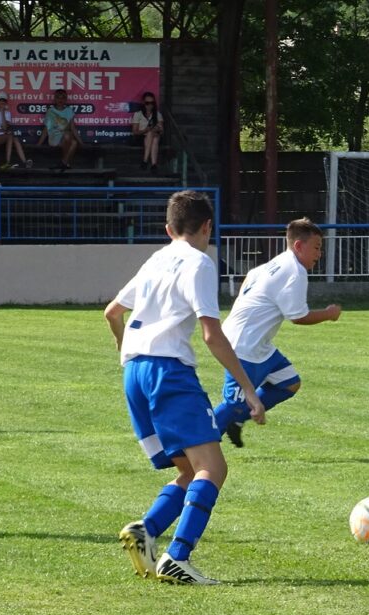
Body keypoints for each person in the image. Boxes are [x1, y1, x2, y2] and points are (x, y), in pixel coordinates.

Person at [104, 190, 265, 585]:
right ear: (207, 227)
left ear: (168, 228)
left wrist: (130, 356)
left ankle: (146, 530)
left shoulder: (157, 257)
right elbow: (212, 334)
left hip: (134, 372)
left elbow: (112, 312)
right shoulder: (199, 262)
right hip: (168, 373)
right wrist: (248, 388)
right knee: (214, 468)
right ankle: (177, 557)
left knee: (191, 471)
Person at [213, 218, 341, 448]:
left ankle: (238, 420)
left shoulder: (275, 263)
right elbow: (298, 317)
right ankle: (194, 447)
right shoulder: (295, 271)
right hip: (244, 344)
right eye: (317, 247)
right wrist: (329, 313)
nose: (319, 254)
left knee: (289, 383)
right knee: (233, 403)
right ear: (299, 246)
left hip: (257, 344)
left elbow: (250, 278)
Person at [36, 89, 81, 170]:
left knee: (74, 143)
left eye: (63, 98)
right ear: (55, 99)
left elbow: (73, 128)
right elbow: (46, 129)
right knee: (69, 137)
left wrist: (82, 142)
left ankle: (63, 163)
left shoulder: (69, 110)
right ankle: (65, 163)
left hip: (65, 138)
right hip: (54, 138)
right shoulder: (50, 111)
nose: (60, 100)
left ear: (66, 99)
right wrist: (39, 144)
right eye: (58, 97)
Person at [0, 91, 32, 170]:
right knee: (10, 136)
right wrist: (3, 131)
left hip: (2, 136)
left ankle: (25, 162)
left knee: (15, 138)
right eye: (0, 100)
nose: (2, 102)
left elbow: (5, 127)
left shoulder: (7, 113)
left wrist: (2, 112)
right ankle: (7, 162)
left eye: (4, 100)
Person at [132, 91, 164, 173]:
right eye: (147, 103)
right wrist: (145, 130)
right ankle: (153, 164)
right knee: (152, 135)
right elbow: (135, 131)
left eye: (152, 103)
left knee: (154, 137)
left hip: (154, 136)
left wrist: (157, 129)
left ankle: (146, 162)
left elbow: (162, 130)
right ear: (143, 103)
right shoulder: (138, 114)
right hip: (141, 137)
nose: (150, 105)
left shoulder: (157, 114)